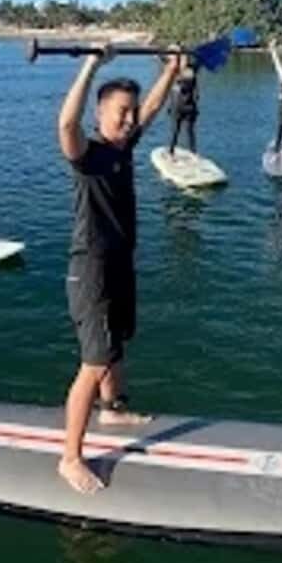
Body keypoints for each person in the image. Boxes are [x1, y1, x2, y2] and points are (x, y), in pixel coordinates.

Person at [57, 44, 180, 495]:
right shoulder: (87, 154)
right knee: (93, 361)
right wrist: (91, 65)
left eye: (130, 114)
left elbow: (149, 108)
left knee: (116, 348)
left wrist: (172, 69)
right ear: (101, 113)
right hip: (90, 270)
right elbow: (65, 124)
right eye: (119, 113)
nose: (128, 121)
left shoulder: (124, 149)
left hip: (121, 264)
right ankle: (70, 458)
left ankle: (114, 408)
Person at [168, 56, 199, 156]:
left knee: (178, 131)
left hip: (181, 107)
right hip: (184, 106)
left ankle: (172, 151)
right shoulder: (190, 73)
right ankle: (192, 151)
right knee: (181, 131)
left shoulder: (181, 74)